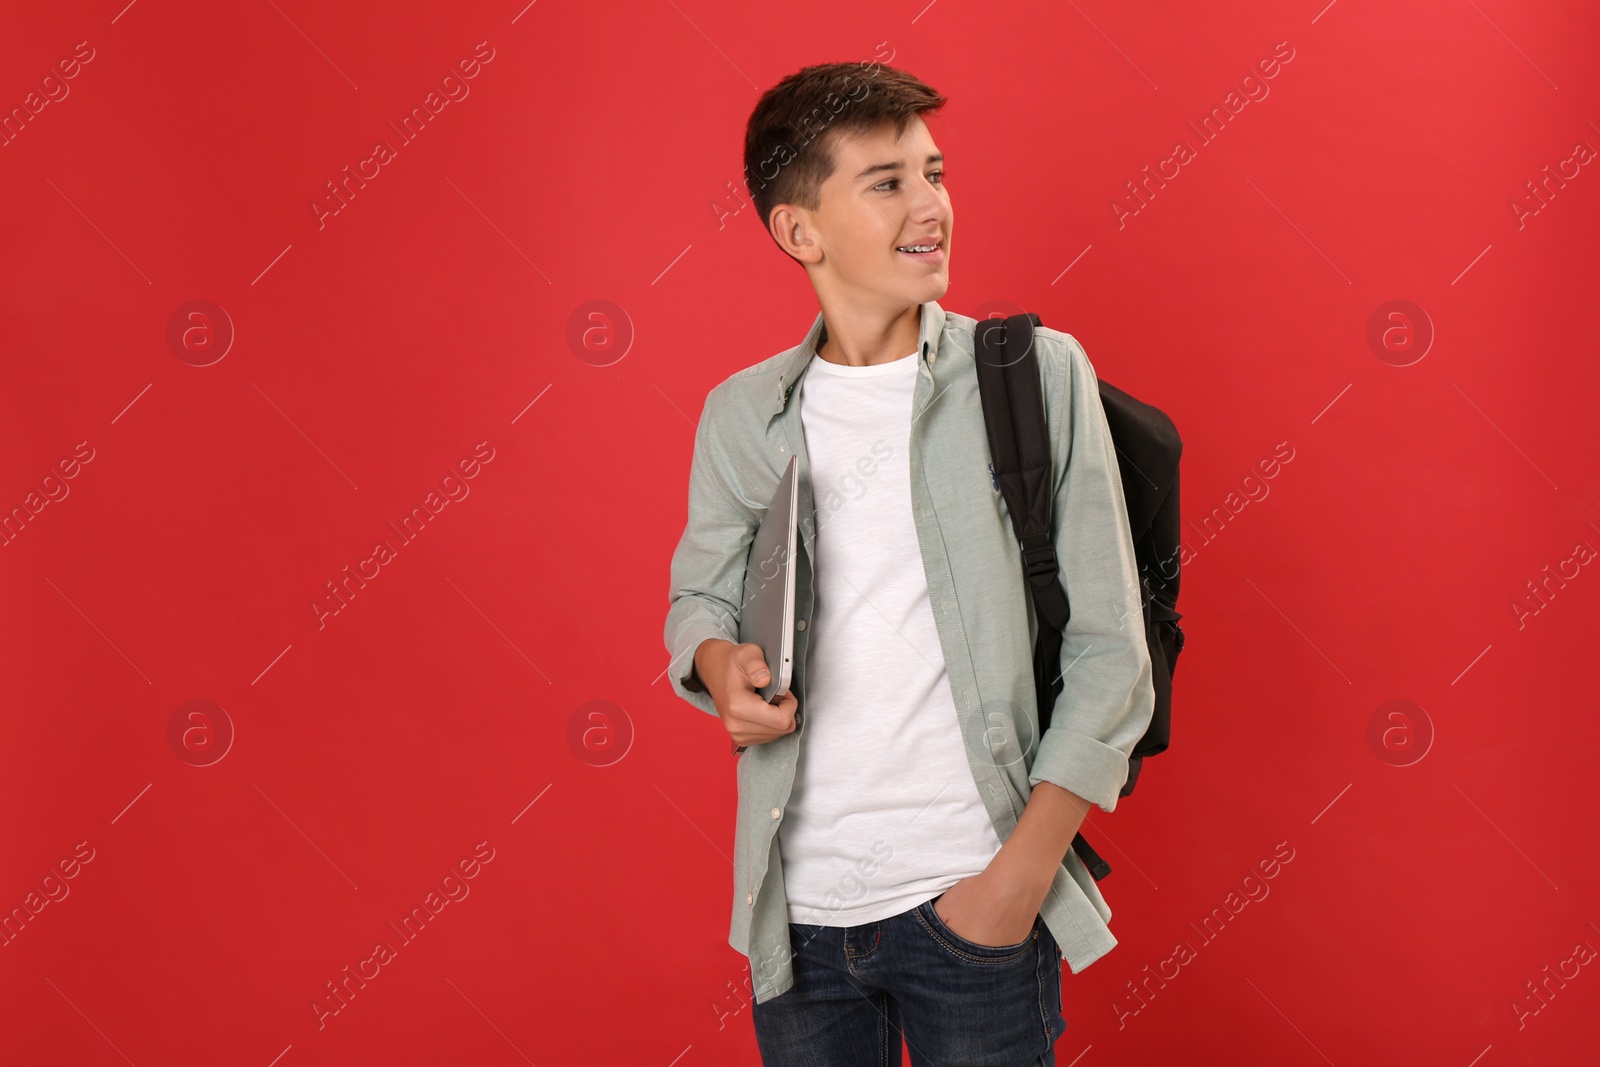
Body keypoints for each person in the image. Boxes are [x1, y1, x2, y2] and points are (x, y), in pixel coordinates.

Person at [663, 60, 1155, 1065]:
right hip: (795, 917)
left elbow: (1114, 653)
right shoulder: (742, 415)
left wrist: (1013, 883)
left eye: (934, 172)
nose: (931, 204)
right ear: (799, 231)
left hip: (973, 901)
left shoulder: (1033, 373)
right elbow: (698, 598)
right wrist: (718, 667)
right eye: (886, 181)